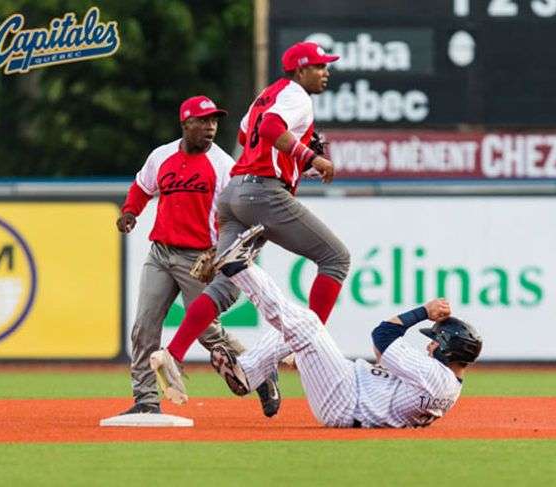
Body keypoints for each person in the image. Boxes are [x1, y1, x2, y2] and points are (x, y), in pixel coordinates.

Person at [154, 41, 350, 396]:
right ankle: (304, 347)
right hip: (262, 194)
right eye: (320, 66)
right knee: (336, 258)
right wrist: (310, 157)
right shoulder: (296, 96)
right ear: (300, 70)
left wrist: (296, 159)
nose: (326, 72)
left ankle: (172, 353)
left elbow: (248, 134)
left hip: (234, 195)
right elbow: (273, 128)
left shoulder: (266, 95)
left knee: (227, 285)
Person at [151, 225, 483, 428]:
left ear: (449, 348)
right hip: (349, 390)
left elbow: (382, 336)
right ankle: (248, 373)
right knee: (300, 330)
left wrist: (423, 312)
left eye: (435, 341)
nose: (430, 344)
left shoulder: (435, 377)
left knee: (307, 325)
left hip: (346, 401)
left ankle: (240, 269)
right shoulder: (444, 382)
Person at [116, 96, 280, 417]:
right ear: (185, 124)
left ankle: (260, 373)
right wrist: (130, 211)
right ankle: (146, 400)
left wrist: (222, 255)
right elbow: (141, 186)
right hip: (161, 253)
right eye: (203, 121)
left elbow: (236, 215)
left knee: (207, 334)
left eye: (214, 121)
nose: (210, 127)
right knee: (144, 327)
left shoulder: (222, 166)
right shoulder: (161, 156)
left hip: (200, 260)